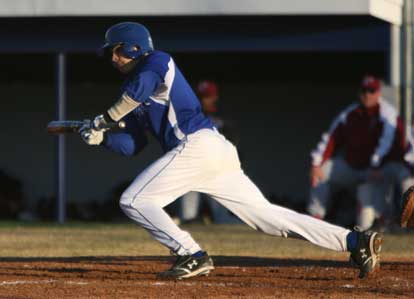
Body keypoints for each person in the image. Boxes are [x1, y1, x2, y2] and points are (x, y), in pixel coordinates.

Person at [80, 22, 381, 279]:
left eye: (116, 50)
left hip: (199, 145)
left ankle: (191, 254)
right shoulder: (128, 96)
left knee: (133, 200)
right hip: (205, 154)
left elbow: (137, 92)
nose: (113, 58)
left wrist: (103, 119)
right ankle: (354, 240)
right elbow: (133, 144)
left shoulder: (158, 61)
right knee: (268, 219)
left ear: (133, 48)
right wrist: (100, 137)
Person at [308, 75, 414, 230]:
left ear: (378, 93)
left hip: (378, 169)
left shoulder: (388, 114)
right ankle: (314, 218)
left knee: (368, 213)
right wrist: (316, 163)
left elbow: (386, 144)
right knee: (321, 171)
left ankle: (396, 223)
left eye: (371, 91)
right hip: (354, 167)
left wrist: (375, 166)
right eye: (364, 91)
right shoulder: (349, 114)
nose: (367, 95)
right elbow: (330, 138)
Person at [179, 80, 240, 224]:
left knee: (221, 216)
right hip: (192, 166)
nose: (203, 100)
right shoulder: (190, 114)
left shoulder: (222, 117)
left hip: (216, 168)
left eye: (207, 96)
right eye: (201, 97)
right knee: (188, 217)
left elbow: (233, 142)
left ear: (215, 97)